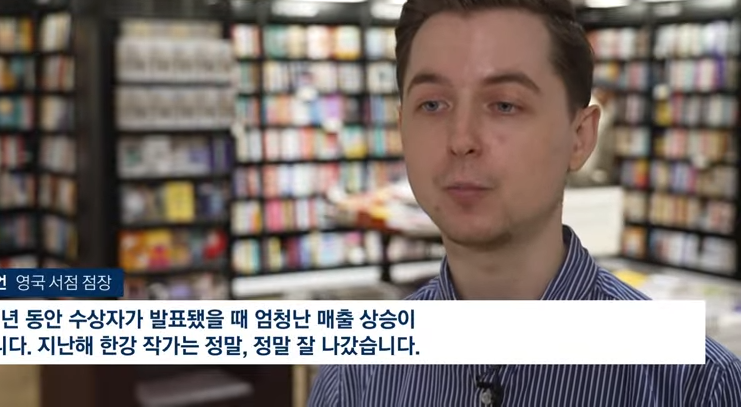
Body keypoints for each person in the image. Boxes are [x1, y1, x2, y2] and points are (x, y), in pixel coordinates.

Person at [307, 0, 741, 406]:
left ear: (579, 137)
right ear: (402, 128)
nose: (461, 139)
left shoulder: (698, 387)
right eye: (433, 104)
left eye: (504, 105)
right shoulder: (354, 377)